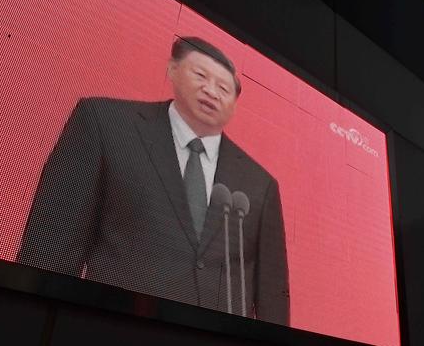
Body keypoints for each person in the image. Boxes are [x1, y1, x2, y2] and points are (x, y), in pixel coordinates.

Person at [18, 37, 290, 325]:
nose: (211, 91)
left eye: (224, 88)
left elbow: (272, 294)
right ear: (172, 70)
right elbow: (49, 248)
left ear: (234, 104)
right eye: (200, 75)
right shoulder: (105, 123)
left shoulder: (260, 184)